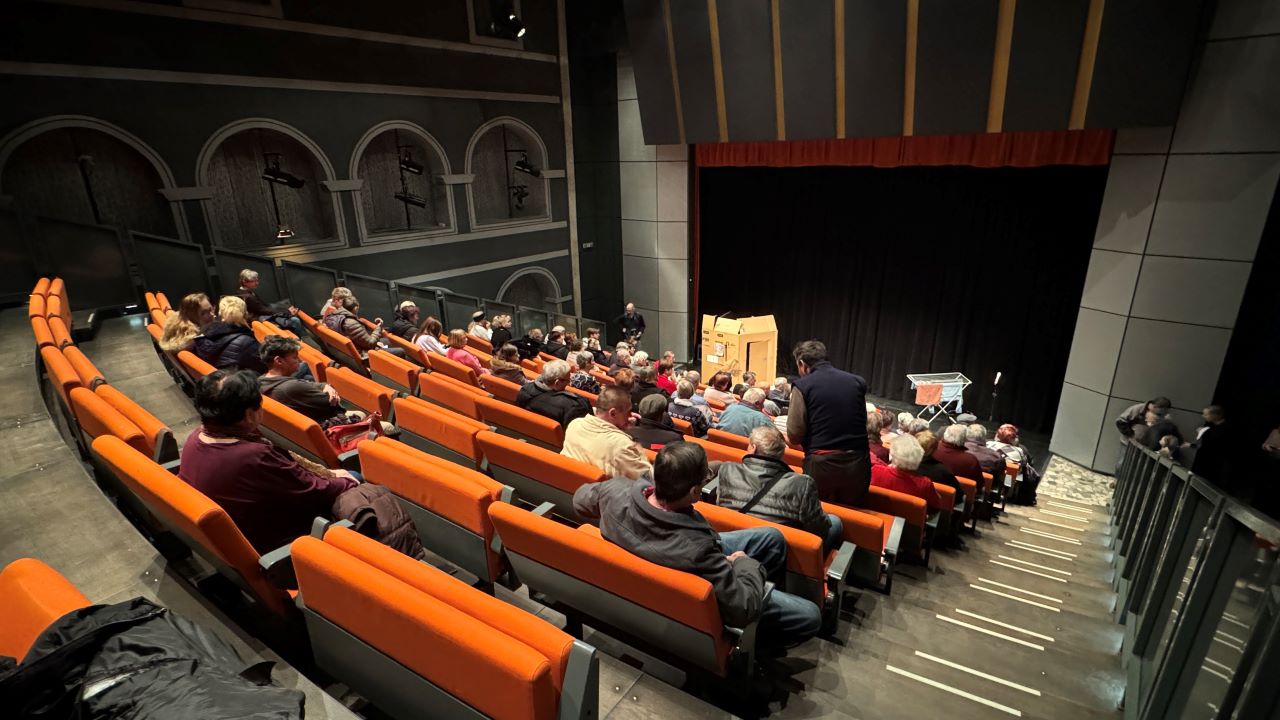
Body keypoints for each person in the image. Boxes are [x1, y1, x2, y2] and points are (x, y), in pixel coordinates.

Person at [572, 442, 822, 650]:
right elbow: (743, 608)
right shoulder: (699, 551)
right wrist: (745, 563)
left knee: (771, 537)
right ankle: (751, 637)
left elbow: (580, 501)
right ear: (694, 492)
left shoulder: (615, 490)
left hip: (664, 548)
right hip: (688, 564)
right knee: (810, 615)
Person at [178, 370, 359, 554]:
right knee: (355, 477)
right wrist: (346, 480)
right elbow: (313, 491)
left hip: (235, 536)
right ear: (249, 414)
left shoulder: (196, 438)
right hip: (282, 544)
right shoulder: (253, 456)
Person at [716, 426, 843, 552]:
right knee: (834, 522)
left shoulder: (727, 469)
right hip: (784, 552)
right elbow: (819, 530)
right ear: (782, 453)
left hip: (733, 542)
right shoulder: (803, 483)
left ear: (753, 448)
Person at [788, 340, 870, 506]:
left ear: (802, 364)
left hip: (821, 466)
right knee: (854, 520)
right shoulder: (857, 382)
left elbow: (794, 435)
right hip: (858, 465)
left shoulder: (802, 386)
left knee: (819, 518)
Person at [257, 336, 392, 432]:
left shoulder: (263, 382)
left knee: (361, 414)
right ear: (279, 361)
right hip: (329, 431)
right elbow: (332, 402)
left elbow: (306, 384)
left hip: (310, 428)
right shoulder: (290, 387)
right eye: (294, 357)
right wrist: (328, 387)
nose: (299, 360)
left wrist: (324, 386)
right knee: (387, 427)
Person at [561, 386, 653, 480]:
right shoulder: (622, 445)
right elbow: (649, 478)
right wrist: (638, 448)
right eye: (628, 412)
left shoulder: (575, 424)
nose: (630, 417)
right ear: (613, 413)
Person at [194, 296, 267, 373]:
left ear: (220, 314)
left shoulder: (204, 339)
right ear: (245, 314)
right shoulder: (246, 341)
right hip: (248, 381)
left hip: (226, 381)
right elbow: (266, 366)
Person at [871, 434, 944, 510]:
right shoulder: (925, 484)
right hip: (910, 521)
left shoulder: (876, 471)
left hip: (876, 516)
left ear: (893, 455)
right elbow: (937, 505)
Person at [516, 359, 591, 428]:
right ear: (557, 383)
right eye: (568, 380)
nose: (569, 381)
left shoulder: (525, 389)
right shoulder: (573, 405)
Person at [235, 269, 301, 333]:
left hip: (261, 312)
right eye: (254, 281)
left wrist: (285, 309)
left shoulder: (245, 291)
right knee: (295, 320)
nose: (257, 283)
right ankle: (298, 340)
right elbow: (264, 310)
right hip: (258, 318)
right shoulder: (248, 296)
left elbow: (264, 306)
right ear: (245, 282)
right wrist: (287, 312)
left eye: (257, 280)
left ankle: (289, 310)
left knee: (286, 303)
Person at [1190, 405, 1229, 484]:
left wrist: (1203, 433)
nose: (1203, 416)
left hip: (1213, 465)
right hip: (1204, 462)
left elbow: (1211, 445)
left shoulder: (1225, 429)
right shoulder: (1211, 426)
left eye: (1206, 414)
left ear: (1215, 415)